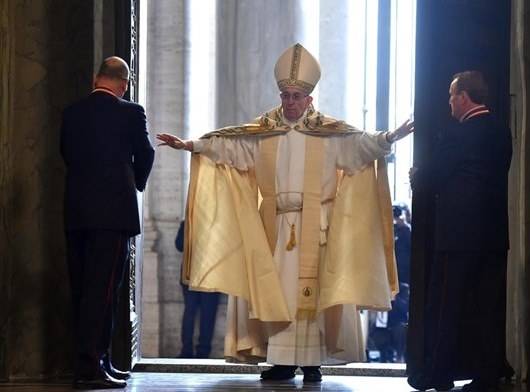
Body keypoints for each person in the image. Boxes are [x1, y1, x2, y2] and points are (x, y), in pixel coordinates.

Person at [156, 43, 413, 383]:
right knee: (275, 294)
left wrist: (390, 136)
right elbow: (231, 147)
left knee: (311, 298)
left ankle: (311, 362)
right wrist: (192, 145)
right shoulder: (264, 132)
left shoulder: (330, 133)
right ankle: (279, 360)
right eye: (285, 95)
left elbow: (361, 147)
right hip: (274, 226)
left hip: (317, 227)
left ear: (309, 99)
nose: (290, 102)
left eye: (296, 96)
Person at [406, 71, 512, 392]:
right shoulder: (501, 130)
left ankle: (438, 374)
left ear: (465, 96)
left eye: (452, 95)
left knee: (446, 306)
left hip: (457, 236)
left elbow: (432, 178)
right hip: (493, 234)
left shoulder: (457, 133)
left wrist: (416, 175)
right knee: (487, 307)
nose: (449, 102)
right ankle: (487, 375)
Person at [60, 56, 155, 389]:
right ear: (124, 84)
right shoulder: (130, 112)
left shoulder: (71, 113)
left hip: (76, 214)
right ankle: (91, 366)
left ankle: (97, 361)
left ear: (95, 78)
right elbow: (146, 154)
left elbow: (66, 153)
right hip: (113, 215)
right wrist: (134, 183)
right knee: (103, 291)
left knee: (83, 288)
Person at [174, 221, 220, 359]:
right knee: (193, 312)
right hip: (193, 275)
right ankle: (189, 350)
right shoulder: (188, 223)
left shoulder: (216, 223)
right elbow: (179, 245)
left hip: (208, 275)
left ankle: (201, 352)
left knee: (205, 314)